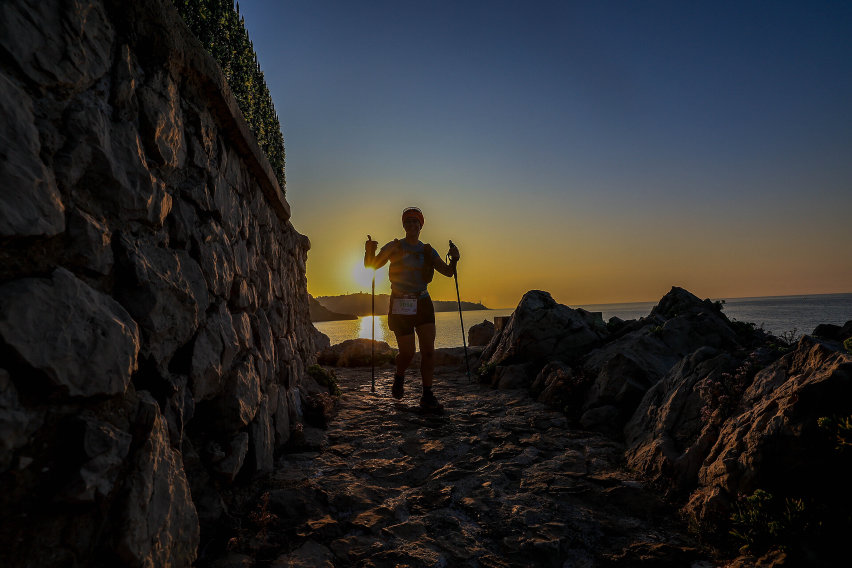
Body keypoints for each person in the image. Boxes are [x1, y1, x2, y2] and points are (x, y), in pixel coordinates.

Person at [364, 207, 460, 413]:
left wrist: (454, 259)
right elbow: (371, 265)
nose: (412, 226)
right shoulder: (394, 247)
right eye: (408, 222)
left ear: (421, 226)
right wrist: (369, 250)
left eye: (415, 222)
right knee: (408, 353)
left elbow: (448, 273)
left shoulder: (427, 251)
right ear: (404, 226)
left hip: (423, 302)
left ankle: (427, 395)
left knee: (428, 351)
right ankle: (399, 375)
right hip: (400, 304)